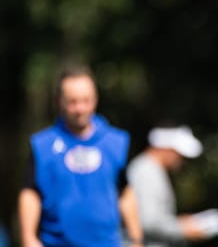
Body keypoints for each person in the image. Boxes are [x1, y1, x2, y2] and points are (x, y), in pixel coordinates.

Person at [17, 65, 144, 247]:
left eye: (86, 100)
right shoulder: (42, 145)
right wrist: (29, 238)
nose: (80, 108)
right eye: (72, 101)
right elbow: (30, 193)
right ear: (59, 101)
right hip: (56, 242)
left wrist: (136, 238)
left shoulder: (116, 142)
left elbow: (124, 191)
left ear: (96, 99)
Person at [127, 125, 218, 246]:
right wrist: (184, 228)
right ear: (167, 149)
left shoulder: (151, 169)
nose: (181, 161)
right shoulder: (146, 171)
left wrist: (182, 222)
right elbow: (148, 221)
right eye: (179, 155)